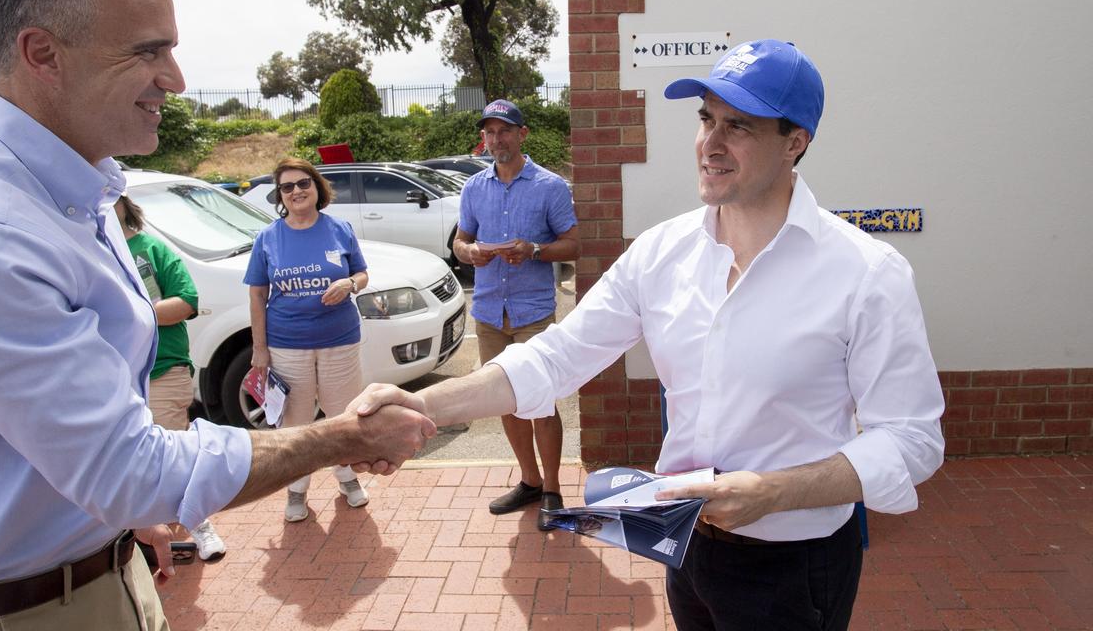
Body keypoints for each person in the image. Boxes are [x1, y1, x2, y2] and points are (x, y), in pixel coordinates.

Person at [0, 0, 433, 629]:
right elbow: (127, 471)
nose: (175, 80)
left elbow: (74, 450)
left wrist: (108, 528)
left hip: (96, 574)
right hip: (16, 613)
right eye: (149, 52)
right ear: (42, 53)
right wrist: (344, 437)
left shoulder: (71, 197)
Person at [357, 40, 945, 630]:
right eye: (705, 119)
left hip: (795, 564)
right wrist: (420, 403)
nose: (709, 144)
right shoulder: (663, 252)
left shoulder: (865, 273)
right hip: (685, 546)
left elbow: (912, 440)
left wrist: (774, 492)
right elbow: (556, 357)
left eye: (737, 126)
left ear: (795, 143)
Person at [452, 98, 579, 530]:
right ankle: (528, 480)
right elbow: (461, 241)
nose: (496, 139)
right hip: (489, 312)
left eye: (504, 131)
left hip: (532, 314)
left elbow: (575, 244)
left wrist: (535, 250)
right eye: (489, 132)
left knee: (540, 402)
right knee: (507, 400)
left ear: (522, 135)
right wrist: (468, 251)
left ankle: (553, 490)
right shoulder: (474, 188)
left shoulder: (549, 186)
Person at [245, 158, 372, 523]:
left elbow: (362, 274)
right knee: (296, 423)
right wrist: (260, 350)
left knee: (342, 416)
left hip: (340, 340)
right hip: (287, 344)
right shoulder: (268, 237)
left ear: (317, 187)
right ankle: (296, 489)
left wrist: (349, 284)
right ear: (280, 195)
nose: (297, 191)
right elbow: (256, 295)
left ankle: (346, 477)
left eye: (303, 183)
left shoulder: (339, 229)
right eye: (287, 187)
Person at [114, 195, 225, 561]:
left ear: (124, 202)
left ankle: (200, 525)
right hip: (115, 375)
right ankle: (145, 535)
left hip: (162, 370)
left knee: (172, 452)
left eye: (109, 197)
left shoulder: (150, 248)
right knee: (130, 458)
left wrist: (131, 312)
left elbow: (186, 301)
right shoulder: (87, 250)